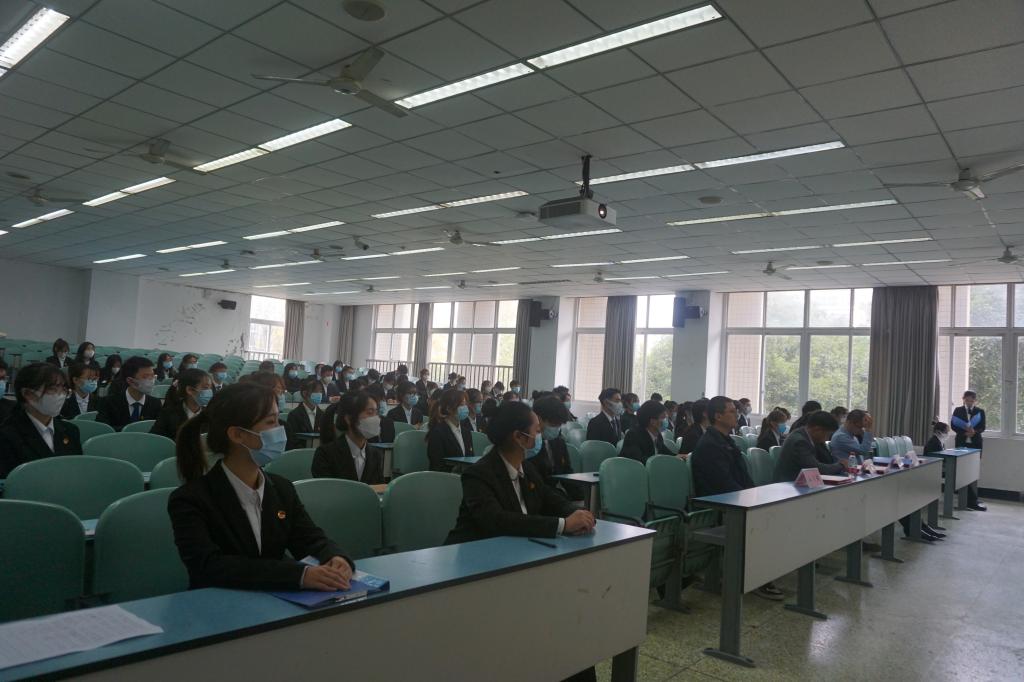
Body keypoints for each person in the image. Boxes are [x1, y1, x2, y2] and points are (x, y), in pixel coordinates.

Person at [168, 383, 354, 591]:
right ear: (237, 434)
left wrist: (334, 556)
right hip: (219, 603)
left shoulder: (281, 488)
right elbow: (209, 566)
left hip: (275, 601)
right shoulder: (190, 499)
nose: (281, 429)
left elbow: (309, 538)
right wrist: (299, 575)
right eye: (270, 422)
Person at [446, 400, 596, 544]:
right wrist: (563, 525)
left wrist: (579, 514)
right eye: (537, 431)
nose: (540, 437)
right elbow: (497, 520)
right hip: (476, 552)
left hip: (516, 549)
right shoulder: (478, 474)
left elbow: (549, 498)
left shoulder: (526, 468)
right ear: (518, 437)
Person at [690, 396, 783, 601]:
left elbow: (743, 476)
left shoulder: (726, 440)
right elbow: (723, 483)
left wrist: (755, 494)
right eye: (732, 411)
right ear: (718, 416)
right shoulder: (710, 445)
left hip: (735, 497)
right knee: (760, 522)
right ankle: (755, 577)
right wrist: (749, 498)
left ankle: (761, 572)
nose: (737, 415)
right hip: (719, 502)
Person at [0, 363, 81, 478]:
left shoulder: (71, 431)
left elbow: (76, 473)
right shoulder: (6, 436)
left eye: (63, 389)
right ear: (28, 393)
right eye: (52, 389)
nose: (60, 395)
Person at [311, 391, 385, 484]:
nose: (376, 418)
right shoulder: (325, 454)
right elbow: (327, 489)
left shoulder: (376, 455)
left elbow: (379, 488)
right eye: (370, 412)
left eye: (376, 412)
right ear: (349, 419)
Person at [530, 396, 585, 501]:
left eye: (559, 425)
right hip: (536, 496)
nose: (556, 428)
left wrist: (581, 497)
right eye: (553, 424)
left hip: (553, 496)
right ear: (538, 419)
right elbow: (535, 482)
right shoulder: (530, 445)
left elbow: (566, 473)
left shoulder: (559, 442)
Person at [774, 411, 845, 482]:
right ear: (817, 429)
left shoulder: (804, 434)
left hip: (799, 482)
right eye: (827, 434)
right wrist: (841, 465)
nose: (826, 438)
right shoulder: (800, 442)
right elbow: (815, 469)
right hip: (787, 484)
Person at [97, 356, 163, 430]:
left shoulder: (155, 403)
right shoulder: (108, 402)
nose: (151, 380)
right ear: (130, 381)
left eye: (152, 376)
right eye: (145, 377)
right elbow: (103, 430)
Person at [151, 369, 212, 439]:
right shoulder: (168, 414)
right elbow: (155, 440)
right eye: (206, 388)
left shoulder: (211, 413)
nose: (209, 392)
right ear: (190, 390)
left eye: (210, 388)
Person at [951, 390, 986, 511]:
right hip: (961, 442)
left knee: (973, 471)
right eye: (967, 400)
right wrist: (964, 432)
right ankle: (970, 499)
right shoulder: (958, 410)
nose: (969, 403)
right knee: (962, 470)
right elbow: (953, 425)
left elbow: (983, 427)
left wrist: (974, 432)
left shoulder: (980, 411)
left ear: (975, 401)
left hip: (975, 443)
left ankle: (972, 498)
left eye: (972, 401)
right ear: (963, 399)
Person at [426, 388, 475, 471]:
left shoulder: (466, 432)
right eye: (461, 405)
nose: (465, 408)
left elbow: (470, 459)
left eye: (465, 404)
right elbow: (437, 464)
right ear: (449, 408)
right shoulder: (438, 433)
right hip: (445, 477)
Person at [620, 400, 674, 464]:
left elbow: (667, 453)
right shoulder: (633, 435)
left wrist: (677, 457)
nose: (666, 420)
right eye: (663, 417)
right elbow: (639, 460)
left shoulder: (657, 435)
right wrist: (662, 462)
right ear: (652, 421)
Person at [285, 378, 323, 450]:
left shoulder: (323, 415)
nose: (319, 394)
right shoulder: (294, 415)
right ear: (304, 393)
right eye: (315, 391)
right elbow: (292, 440)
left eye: (320, 391)